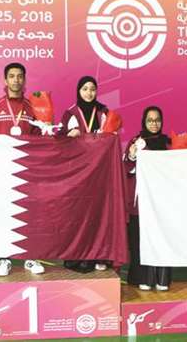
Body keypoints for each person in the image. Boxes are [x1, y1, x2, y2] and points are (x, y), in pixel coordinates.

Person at [0, 62, 45, 276]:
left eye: (19, 76)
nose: (16, 80)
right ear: (4, 80)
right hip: (1, 170)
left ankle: (30, 257)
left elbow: (39, 138)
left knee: (28, 213)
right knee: (4, 213)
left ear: (24, 80)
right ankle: (4, 258)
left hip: (26, 169)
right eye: (12, 76)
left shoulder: (33, 107)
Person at [60, 76, 110, 273]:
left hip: (99, 172)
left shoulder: (104, 113)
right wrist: (66, 134)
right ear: (78, 91)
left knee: (97, 214)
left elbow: (110, 138)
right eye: (85, 89)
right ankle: (76, 255)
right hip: (77, 173)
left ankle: (97, 255)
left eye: (92, 89)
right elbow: (60, 140)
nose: (89, 93)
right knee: (78, 214)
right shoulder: (70, 113)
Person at [123, 106, 172, 291]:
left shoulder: (168, 143)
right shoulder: (136, 142)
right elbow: (126, 166)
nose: (154, 123)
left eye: (157, 119)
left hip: (162, 204)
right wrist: (133, 154)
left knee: (162, 240)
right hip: (142, 203)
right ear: (144, 121)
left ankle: (162, 278)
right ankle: (143, 277)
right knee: (140, 242)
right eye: (150, 120)